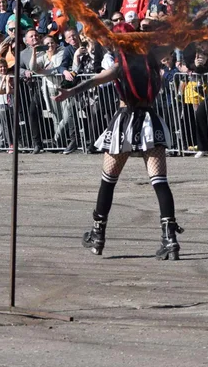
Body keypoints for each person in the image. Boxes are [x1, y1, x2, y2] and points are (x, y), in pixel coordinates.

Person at [54, 25, 184, 261]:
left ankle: (98, 234)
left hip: (124, 123)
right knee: (160, 182)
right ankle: (170, 239)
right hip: (148, 122)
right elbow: (174, 41)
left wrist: (70, 92)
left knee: (108, 181)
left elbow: (93, 81)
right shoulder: (152, 61)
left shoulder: (120, 67)